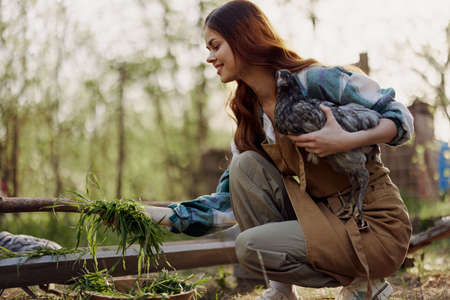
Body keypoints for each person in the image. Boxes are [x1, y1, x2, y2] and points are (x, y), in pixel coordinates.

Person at [144, 1, 413, 299]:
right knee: (245, 166)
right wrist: (154, 215)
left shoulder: (314, 80)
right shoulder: (251, 117)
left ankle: (366, 282)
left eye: (215, 46)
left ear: (242, 38)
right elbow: (227, 203)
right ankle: (283, 292)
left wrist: (345, 140)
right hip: (326, 220)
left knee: (249, 244)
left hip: (374, 223)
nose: (209, 57)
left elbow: (400, 117)